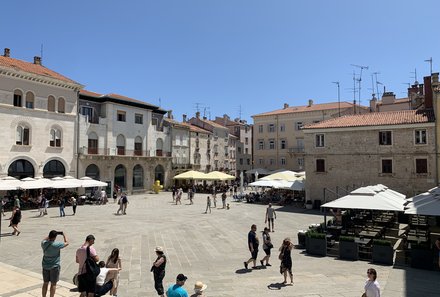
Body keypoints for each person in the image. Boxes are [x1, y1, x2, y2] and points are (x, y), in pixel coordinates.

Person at [41, 230, 69, 297]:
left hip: (45, 266)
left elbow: (44, 239)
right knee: (53, 284)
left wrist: (51, 235)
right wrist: (63, 234)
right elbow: (67, 243)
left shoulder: (43, 243)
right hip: (54, 266)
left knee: (45, 283)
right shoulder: (56, 245)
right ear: (55, 237)